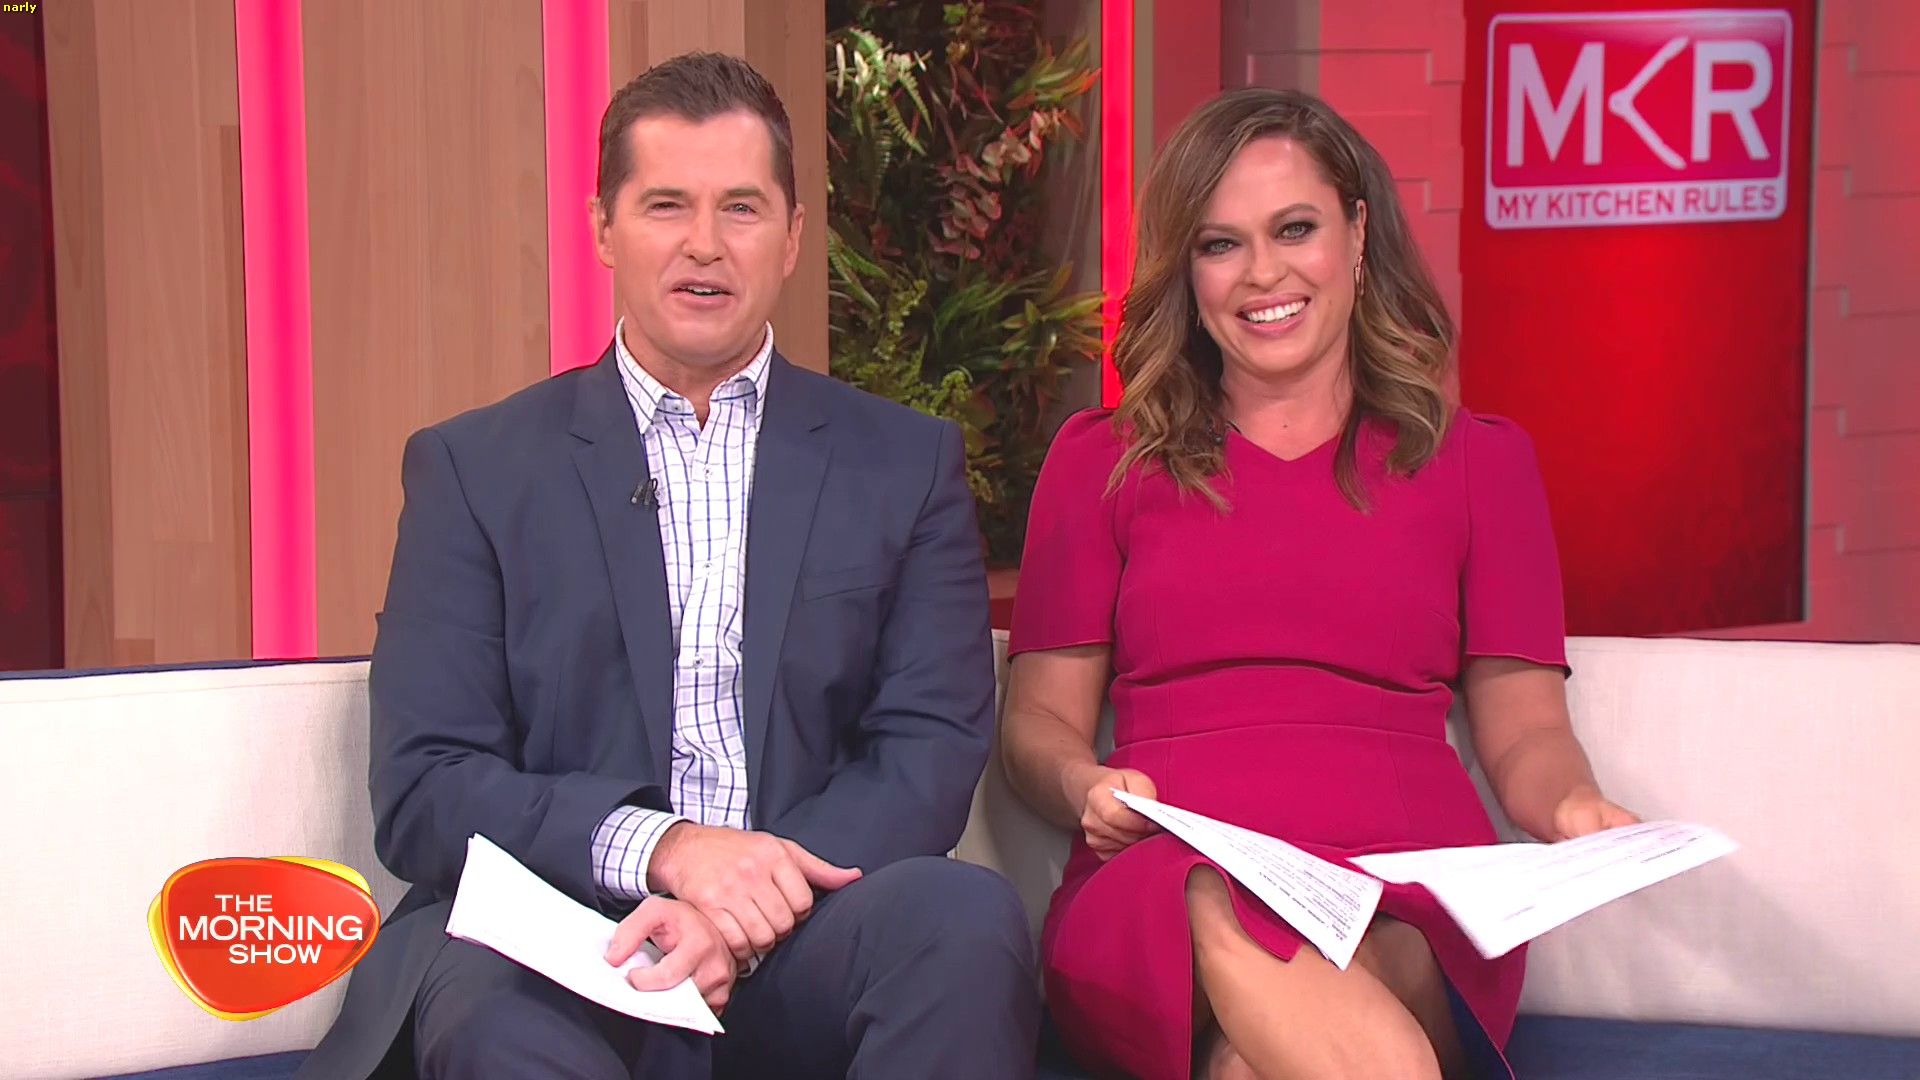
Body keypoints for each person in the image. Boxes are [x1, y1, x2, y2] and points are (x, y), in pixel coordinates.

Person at [297, 52, 1038, 1080]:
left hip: (804, 929)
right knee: (490, 1021)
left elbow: (927, 749)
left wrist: (739, 909)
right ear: (603, 227)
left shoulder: (903, 464)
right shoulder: (476, 469)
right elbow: (427, 786)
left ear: (792, 235)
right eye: (665, 206)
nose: (704, 245)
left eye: (741, 208)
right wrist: (667, 850)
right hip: (562, 936)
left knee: (962, 921)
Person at [999, 87, 1639, 1080]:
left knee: (1255, 1058)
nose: (1264, 273)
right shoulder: (1102, 464)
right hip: (1164, 893)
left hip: (1404, 899)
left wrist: (1575, 809)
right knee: (1207, 892)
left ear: (1357, 233)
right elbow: (1036, 724)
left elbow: (1525, 734)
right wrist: (1082, 784)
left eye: (1294, 229)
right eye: (1221, 244)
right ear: (1187, 271)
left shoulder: (1482, 464)